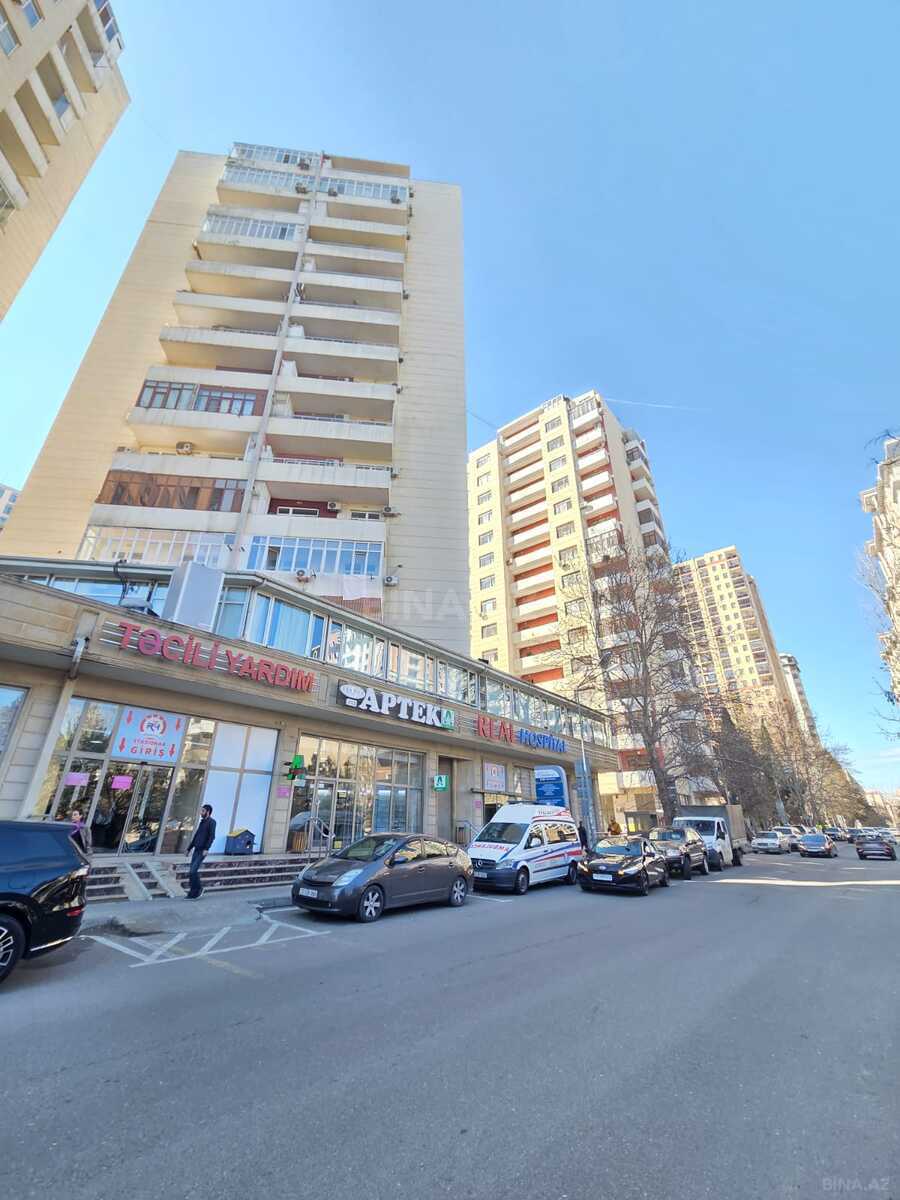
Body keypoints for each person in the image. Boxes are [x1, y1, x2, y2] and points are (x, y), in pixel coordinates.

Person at [186, 805, 216, 899]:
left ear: (208, 812)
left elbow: (212, 836)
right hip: (196, 849)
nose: (201, 813)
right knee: (191, 872)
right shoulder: (202, 822)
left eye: (203, 811)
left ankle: (199, 889)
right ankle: (192, 892)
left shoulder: (212, 822)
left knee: (193, 871)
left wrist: (207, 849)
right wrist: (189, 848)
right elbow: (196, 836)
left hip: (202, 850)